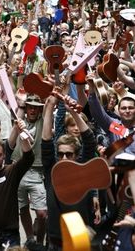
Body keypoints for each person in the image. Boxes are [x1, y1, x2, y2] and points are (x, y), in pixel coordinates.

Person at [42, 95, 99, 251]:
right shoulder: (52, 169)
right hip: (56, 242)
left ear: (77, 155)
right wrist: (48, 109)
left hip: (81, 238)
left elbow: (89, 140)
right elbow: (46, 142)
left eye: (69, 154)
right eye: (60, 154)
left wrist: (74, 113)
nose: (64, 158)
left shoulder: (83, 166)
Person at [11, 94, 48, 250]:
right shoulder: (20, 122)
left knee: (41, 213)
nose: (32, 110)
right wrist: (20, 106)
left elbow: (48, 108)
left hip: (36, 171)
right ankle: (30, 239)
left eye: (35, 107)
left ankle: (39, 242)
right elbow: (11, 143)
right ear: (26, 108)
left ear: (39, 109)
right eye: (29, 107)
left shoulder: (43, 122)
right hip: (18, 167)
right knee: (23, 208)